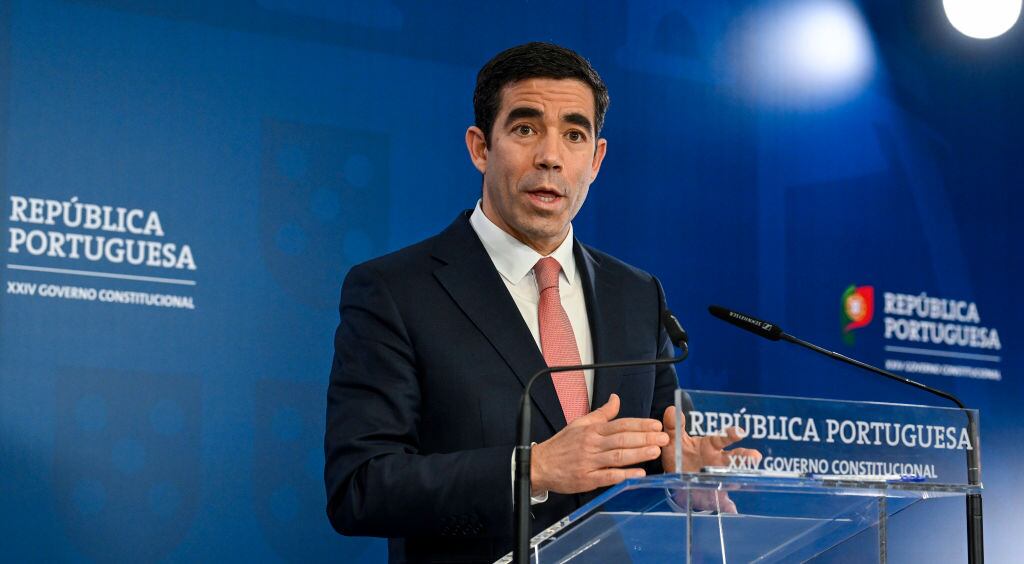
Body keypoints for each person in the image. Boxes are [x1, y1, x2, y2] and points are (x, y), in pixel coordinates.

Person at [324, 42, 758, 563]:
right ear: (480, 147)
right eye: (526, 129)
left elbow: (663, 444)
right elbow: (360, 488)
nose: (550, 156)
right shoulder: (396, 290)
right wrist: (532, 470)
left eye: (574, 134)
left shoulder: (637, 294)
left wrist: (681, 476)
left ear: (595, 159)